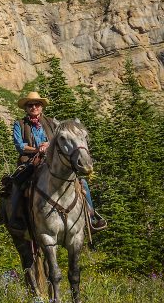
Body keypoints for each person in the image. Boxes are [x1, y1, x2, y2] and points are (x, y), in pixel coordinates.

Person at [8, 91, 106, 232]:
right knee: (18, 182)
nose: (34, 107)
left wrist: (47, 145)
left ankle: (91, 217)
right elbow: (20, 145)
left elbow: (59, 139)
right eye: (30, 105)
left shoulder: (51, 122)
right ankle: (16, 218)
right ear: (26, 108)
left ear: (41, 107)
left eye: (37, 104)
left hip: (52, 159)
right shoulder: (20, 124)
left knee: (81, 182)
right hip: (30, 160)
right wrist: (37, 149)